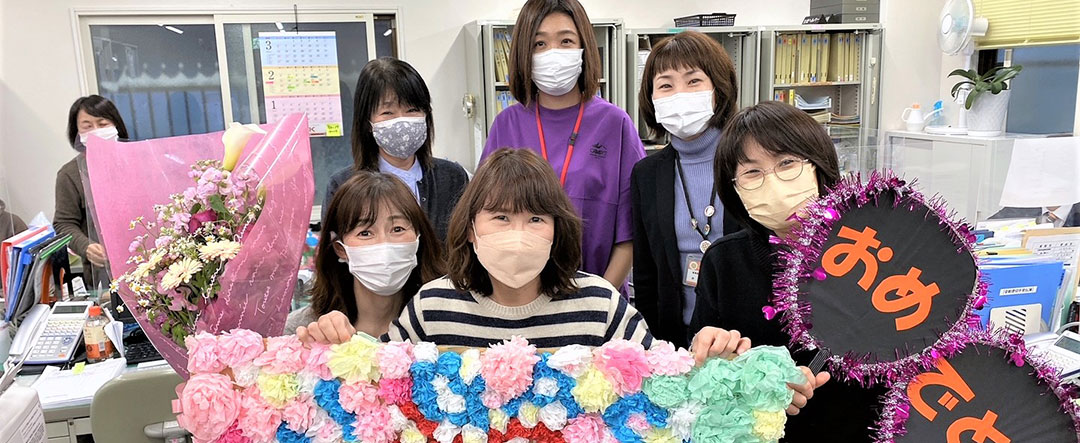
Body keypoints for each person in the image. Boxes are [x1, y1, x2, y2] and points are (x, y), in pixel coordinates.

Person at [690, 101, 879, 440]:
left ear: (819, 165)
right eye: (752, 172)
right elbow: (707, 375)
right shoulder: (724, 262)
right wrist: (715, 357)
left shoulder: (870, 248)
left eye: (787, 162)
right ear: (734, 187)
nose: (773, 182)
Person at [481, 0, 645, 292]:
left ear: (585, 47)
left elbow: (630, 231)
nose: (552, 52)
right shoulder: (507, 124)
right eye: (539, 44)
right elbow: (487, 223)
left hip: (597, 293)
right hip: (518, 294)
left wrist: (598, 300)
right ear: (523, 54)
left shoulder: (615, 124)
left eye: (566, 41)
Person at [630, 31, 742, 348]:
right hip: (674, 340)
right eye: (666, 85)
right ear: (651, 99)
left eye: (693, 81)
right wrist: (655, 350)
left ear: (719, 89)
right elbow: (646, 273)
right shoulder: (646, 174)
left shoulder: (750, 162)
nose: (679, 94)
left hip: (744, 341)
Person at [323, 57, 468, 241]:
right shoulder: (342, 186)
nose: (402, 120)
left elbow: (463, 250)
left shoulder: (452, 178)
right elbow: (334, 258)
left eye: (412, 109)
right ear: (368, 122)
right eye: (388, 113)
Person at [288, 171, 444, 342]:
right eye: (365, 233)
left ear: (418, 237)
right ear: (341, 249)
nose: (384, 244)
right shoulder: (305, 329)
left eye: (397, 229)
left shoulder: (444, 321)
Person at [55, 95, 128, 288]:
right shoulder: (70, 174)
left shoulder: (136, 160)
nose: (96, 131)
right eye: (87, 126)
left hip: (148, 267)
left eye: (102, 123)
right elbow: (63, 224)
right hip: (102, 277)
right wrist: (86, 247)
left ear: (116, 126)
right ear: (77, 132)